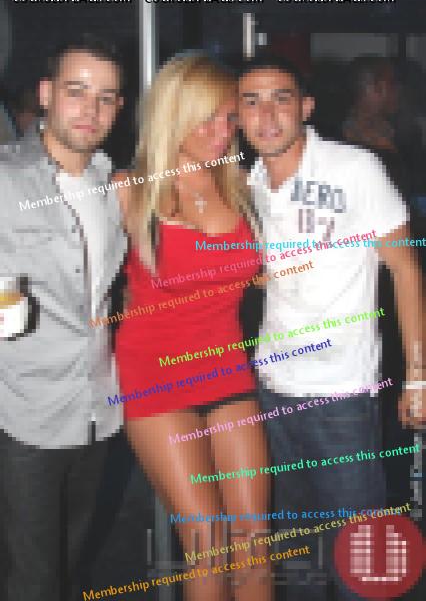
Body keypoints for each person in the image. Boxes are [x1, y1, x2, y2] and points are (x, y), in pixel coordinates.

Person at [237, 54, 425, 600]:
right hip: (271, 389)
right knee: (298, 554)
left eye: (281, 99)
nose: (267, 115)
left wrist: (417, 376)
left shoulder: (355, 168)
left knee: (356, 558)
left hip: (342, 393)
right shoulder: (247, 183)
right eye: (252, 102)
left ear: (307, 107)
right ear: (238, 116)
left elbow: (405, 269)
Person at [115, 54, 272, 601]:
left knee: (255, 540)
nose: (222, 132)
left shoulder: (243, 186)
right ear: (172, 114)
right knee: (208, 544)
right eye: (207, 118)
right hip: (155, 380)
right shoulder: (129, 190)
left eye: (229, 119)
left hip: (227, 370)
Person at [0, 33, 127, 601]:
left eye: (105, 97)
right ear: (47, 94)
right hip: (21, 414)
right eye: (77, 92)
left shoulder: (110, 183)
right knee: (33, 579)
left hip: (96, 408)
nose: (90, 109)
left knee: (72, 565)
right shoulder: (6, 179)